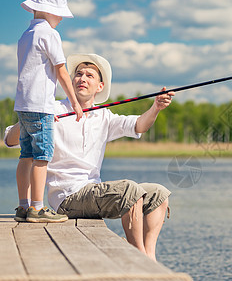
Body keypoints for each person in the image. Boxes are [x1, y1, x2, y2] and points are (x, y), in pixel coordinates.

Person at [5, 53, 175, 261]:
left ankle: (149, 257)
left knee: (159, 194)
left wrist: (156, 107)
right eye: (78, 74)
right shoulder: (53, 109)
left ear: (100, 86)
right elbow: (9, 139)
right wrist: (37, 119)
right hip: (67, 198)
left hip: (93, 192)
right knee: (129, 189)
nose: (82, 78)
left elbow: (139, 125)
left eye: (89, 75)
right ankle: (137, 256)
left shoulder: (104, 116)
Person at [14, 0, 83, 223]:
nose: (62, 18)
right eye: (60, 14)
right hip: (40, 105)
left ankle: (23, 206)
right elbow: (62, 71)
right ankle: (38, 207)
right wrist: (74, 102)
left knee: (26, 155)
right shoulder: (49, 34)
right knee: (42, 156)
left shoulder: (25, 36)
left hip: (23, 105)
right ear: (49, 11)